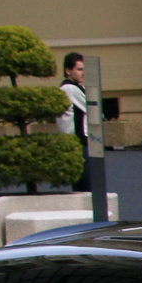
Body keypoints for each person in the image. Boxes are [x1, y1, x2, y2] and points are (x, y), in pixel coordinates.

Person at [56, 51, 91, 192]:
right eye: (79, 69)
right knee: (87, 187)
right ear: (68, 71)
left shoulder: (75, 88)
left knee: (79, 188)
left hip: (72, 144)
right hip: (79, 143)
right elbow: (95, 111)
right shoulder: (70, 89)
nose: (83, 73)